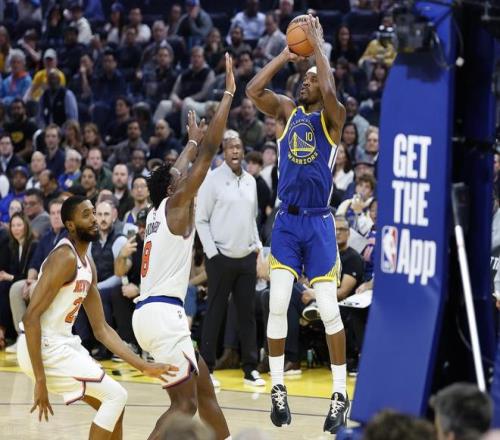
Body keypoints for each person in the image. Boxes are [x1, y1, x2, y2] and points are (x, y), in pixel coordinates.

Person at [246, 15, 348, 432]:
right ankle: (278, 387)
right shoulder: (287, 112)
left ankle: (339, 394)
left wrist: (318, 48)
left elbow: (329, 90)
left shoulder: (334, 117)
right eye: (302, 78)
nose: (304, 82)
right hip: (287, 221)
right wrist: (286, 55)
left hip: (319, 223)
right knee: (277, 302)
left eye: (311, 79)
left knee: (328, 309)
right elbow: (253, 91)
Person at [132, 53, 235, 440]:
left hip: (151, 313)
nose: (183, 174)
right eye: (179, 176)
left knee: (205, 394)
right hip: (163, 315)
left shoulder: (157, 209)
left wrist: (190, 141)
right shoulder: (176, 204)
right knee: (185, 406)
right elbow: (209, 153)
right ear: (173, 188)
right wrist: (227, 94)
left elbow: (177, 168)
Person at [17, 195, 178, 438]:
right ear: (70, 225)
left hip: (62, 343)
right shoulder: (64, 257)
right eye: (86, 215)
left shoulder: (87, 264)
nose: (94, 219)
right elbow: (30, 318)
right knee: (116, 396)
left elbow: (101, 328)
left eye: (93, 212)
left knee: (113, 406)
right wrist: (40, 380)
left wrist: (143, 365)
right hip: (42, 346)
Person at [196, 135, 265, 388]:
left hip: (246, 258)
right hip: (220, 258)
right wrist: (212, 253)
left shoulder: (250, 181)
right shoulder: (212, 180)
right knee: (215, 312)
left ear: (243, 152)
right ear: (223, 152)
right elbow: (201, 219)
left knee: (246, 314)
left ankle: (250, 368)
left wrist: (258, 248)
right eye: (230, 147)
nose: (235, 151)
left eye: (239, 147)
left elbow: (252, 219)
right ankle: (206, 368)